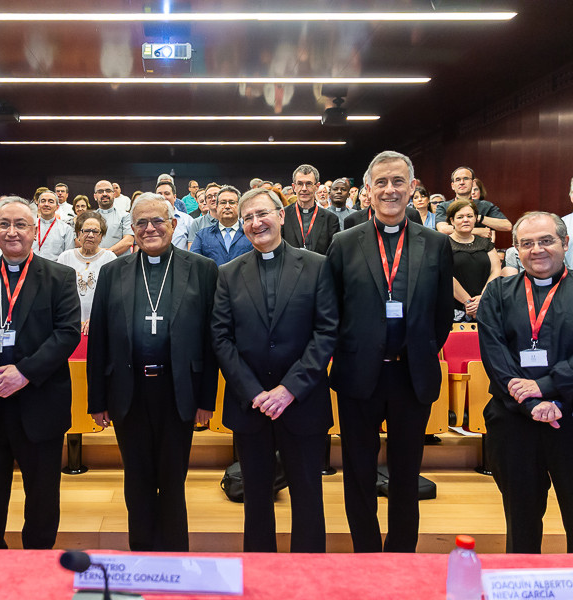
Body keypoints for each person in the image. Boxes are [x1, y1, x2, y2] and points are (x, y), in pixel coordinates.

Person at [326, 150, 454, 553]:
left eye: (398, 181)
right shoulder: (343, 243)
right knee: (359, 472)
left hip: (410, 375)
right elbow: (332, 311)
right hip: (358, 376)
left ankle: (401, 553)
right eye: (380, 183)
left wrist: (417, 349)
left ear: (412, 187)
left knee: (405, 472)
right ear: (367, 191)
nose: (390, 190)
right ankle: (365, 552)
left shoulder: (435, 244)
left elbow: (441, 317)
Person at [87, 192, 218, 552]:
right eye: (141, 223)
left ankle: (175, 554)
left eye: (157, 220)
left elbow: (212, 340)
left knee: (174, 479)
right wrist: (97, 398)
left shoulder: (202, 269)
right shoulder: (112, 272)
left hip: (180, 391)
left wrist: (207, 399)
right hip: (129, 391)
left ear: (173, 224)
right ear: (131, 229)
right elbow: (97, 337)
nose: (150, 228)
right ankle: (142, 552)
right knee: (137, 478)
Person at [0, 196, 80, 550]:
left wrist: (23, 372)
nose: (11, 232)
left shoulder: (60, 277)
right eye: (3, 224)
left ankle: (37, 568)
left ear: (34, 230)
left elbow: (67, 333)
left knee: (41, 501)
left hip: (39, 403)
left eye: (20, 224)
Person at [212, 188, 338, 552]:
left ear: (281, 215)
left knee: (308, 500)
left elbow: (326, 332)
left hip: (302, 402)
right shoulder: (228, 274)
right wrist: (254, 392)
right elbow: (220, 339)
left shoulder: (317, 265)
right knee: (256, 501)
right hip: (249, 405)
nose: (256, 223)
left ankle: (306, 578)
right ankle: (259, 576)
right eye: (247, 217)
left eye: (262, 213)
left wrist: (289, 389)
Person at [478, 211, 573, 553]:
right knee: (520, 520)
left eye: (546, 240)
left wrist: (546, 389)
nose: (537, 250)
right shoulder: (498, 293)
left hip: (570, 420)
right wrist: (533, 403)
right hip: (514, 421)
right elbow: (494, 355)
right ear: (516, 250)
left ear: (564, 242)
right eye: (527, 243)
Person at [57, 211, 116, 335]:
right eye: (86, 230)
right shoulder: (65, 257)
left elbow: (114, 297)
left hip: (100, 324)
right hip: (69, 324)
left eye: (95, 231)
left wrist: (97, 318)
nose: (90, 235)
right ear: (79, 233)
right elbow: (58, 295)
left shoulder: (110, 258)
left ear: (101, 236)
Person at [447, 199, 501, 322]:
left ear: (475, 218)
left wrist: (482, 299)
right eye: (460, 217)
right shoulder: (443, 244)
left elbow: (496, 270)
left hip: (485, 303)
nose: (465, 220)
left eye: (470, 216)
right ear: (452, 221)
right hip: (455, 309)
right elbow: (446, 275)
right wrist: (469, 303)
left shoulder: (485, 243)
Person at [435, 167, 512, 236]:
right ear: (453, 185)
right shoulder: (443, 206)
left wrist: (479, 218)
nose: (462, 182)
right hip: (452, 249)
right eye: (458, 180)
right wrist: (477, 231)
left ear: (473, 182)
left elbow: (507, 226)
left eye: (465, 178)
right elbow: (443, 229)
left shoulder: (486, 206)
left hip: (480, 249)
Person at [282, 164, 339, 255]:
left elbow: (333, 254)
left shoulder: (331, 219)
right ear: (294, 187)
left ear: (317, 186)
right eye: (300, 184)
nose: (304, 189)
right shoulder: (283, 215)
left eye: (308, 184)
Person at [191, 185, 253, 266]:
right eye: (223, 203)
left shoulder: (250, 233)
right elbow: (193, 263)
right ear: (216, 207)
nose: (227, 206)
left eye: (232, 202)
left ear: (239, 206)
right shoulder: (202, 235)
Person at [94, 179, 133, 256]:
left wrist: (106, 254)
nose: (104, 194)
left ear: (114, 194)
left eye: (108, 191)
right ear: (95, 196)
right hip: (94, 262)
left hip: (120, 263)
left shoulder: (125, 216)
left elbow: (128, 241)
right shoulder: (90, 218)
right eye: (100, 191)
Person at [32, 191, 75, 261]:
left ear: (57, 207)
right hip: (31, 267)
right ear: (38, 205)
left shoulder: (66, 229)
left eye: (51, 202)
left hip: (55, 269)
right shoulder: (30, 226)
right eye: (43, 201)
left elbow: (68, 257)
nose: (46, 204)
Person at [156, 180, 193, 250]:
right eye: (159, 194)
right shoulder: (149, 221)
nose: (163, 197)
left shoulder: (187, 220)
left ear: (174, 197)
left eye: (167, 193)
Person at [187, 182, 220, 247]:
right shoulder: (196, 223)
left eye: (216, 195)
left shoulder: (233, 220)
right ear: (206, 201)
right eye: (209, 197)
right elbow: (192, 253)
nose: (213, 199)